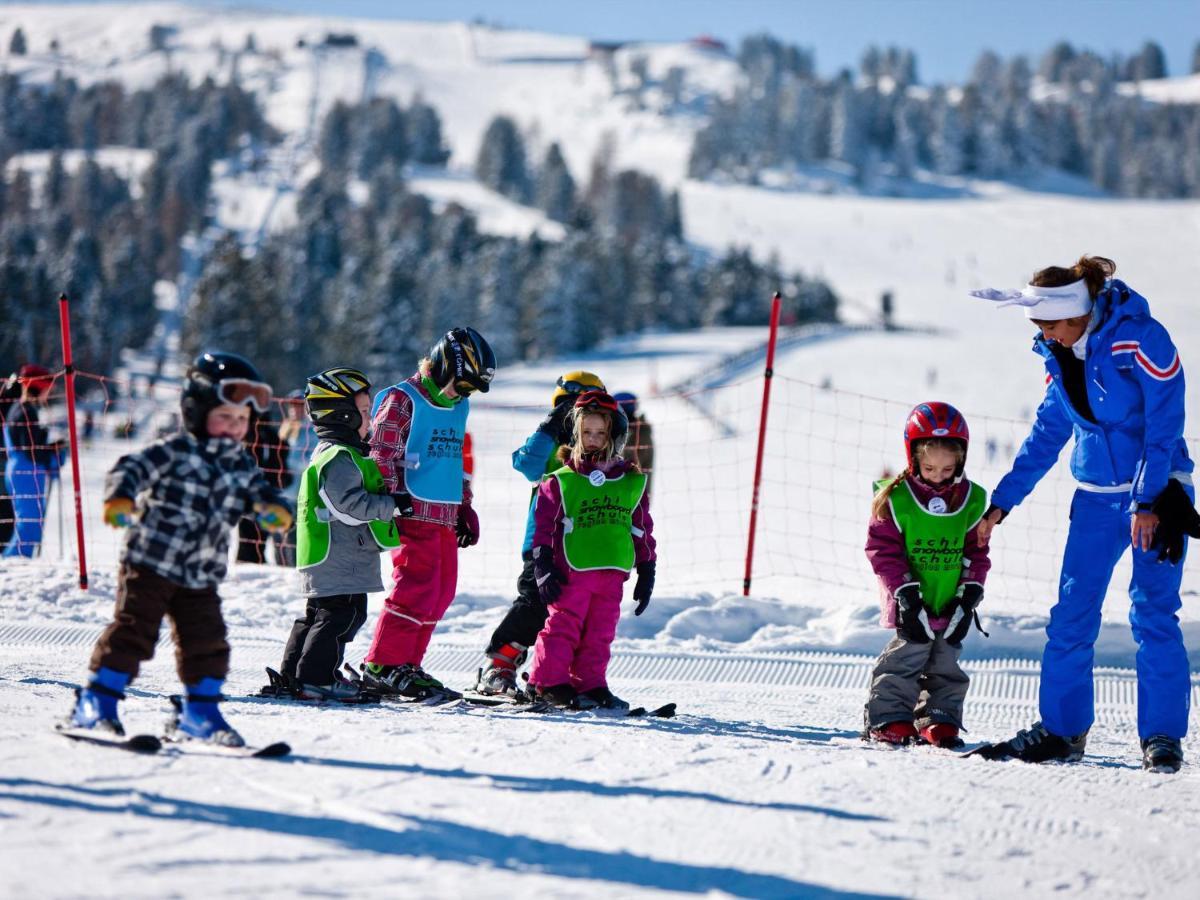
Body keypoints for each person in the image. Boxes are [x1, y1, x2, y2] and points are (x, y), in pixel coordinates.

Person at [970, 255, 1197, 773]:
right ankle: (1062, 730)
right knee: (1071, 617)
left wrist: (1148, 499)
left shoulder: (1141, 339)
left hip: (1157, 497)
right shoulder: (1060, 356)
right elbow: (1048, 433)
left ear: (1076, 312)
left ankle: (1162, 736)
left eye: (1049, 324)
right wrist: (1001, 503)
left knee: (1153, 614)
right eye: (1038, 327)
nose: (1044, 335)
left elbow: (1165, 424)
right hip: (1095, 498)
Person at [66, 351, 292, 747]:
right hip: (151, 563)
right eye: (225, 416)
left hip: (200, 573)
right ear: (196, 411)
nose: (234, 427)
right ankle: (95, 703)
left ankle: (199, 714)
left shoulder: (239, 465)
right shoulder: (174, 451)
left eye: (242, 420)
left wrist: (273, 509)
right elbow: (129, 468)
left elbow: (261, 492)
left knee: (208, 641)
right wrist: (120, 498)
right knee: (134, 632)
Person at [359, 327, 496, 698]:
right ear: (440, 365)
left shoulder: (457, 407)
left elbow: (455, 461)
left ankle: (408, 663)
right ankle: (382, 663)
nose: (461, 395)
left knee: (441, 591)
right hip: (410, 511)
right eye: (459, 385)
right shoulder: (403, 400)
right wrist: (389, 500)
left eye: (467, 391)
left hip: (444, 514)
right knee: (416, 587)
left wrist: (464, 505)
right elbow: (381, 454)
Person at [275, 367, 413, 700]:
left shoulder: (339, 454)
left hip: (333, 555)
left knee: (320, 614)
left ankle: (297, 673)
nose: (371, 420)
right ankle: (317, 677)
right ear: (343, 416)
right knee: (342, 615)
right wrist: (389, 505)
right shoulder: (338, 457)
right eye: (365, 413)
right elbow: (348, 505)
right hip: (338, 555)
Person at [863, 402, 991, 748]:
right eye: (930, 467)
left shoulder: (971, 499)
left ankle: (939, 718)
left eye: (947, 468)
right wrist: (904, 593)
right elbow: (881, 550)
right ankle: (887, 717)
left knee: (946, 660)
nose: (938, 475)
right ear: (914, 458)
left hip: (949, 596)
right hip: (910, 597)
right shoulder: (895, 499)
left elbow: (977, 550)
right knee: (907, 655)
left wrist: (970, 592)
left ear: (961, 460)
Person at [474, 371, 607, 696]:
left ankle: (568, 677)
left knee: (577, 616)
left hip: (582, 549)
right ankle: (499, 666)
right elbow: (528, 464)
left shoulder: (598, 447)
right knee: (535, 603)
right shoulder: (553, 446)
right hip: (544, 543)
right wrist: (551, 425)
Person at [526, 390, 656, 709]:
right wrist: (542, 565)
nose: (594, 439)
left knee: (601, 630)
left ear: (614, 435)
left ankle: (590, 683)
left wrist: (647, 568)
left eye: (601, 433)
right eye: (587, 433)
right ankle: (547, 682)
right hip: (572, 570)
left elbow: (641, 527)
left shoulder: (629, 481)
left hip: (611, 570)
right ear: (576, 434)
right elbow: (543, 526)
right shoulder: (561, 481)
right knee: (564, 626)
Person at [3, 364, 64, 558]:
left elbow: (30, 446)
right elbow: (32, 451)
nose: (49, 394)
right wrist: (54, 451)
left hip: (22, 470)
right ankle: (13, 562)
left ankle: (16, 561)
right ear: (39, 388)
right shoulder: (26, 411)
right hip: (25, 471)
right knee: (29, 525)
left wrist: (49, 446)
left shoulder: (19, 408)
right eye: (48, 389)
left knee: (30, 522)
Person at [236, 409, 294, 564]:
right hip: (255, 493)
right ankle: (251, 561)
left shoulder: (270, 438)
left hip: (267, 493)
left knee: (267, 532)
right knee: (250, 533)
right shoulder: (247, 437)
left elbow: (282, 463)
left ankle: (256, 562)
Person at [614, 391, 654, 498]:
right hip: (629, 494)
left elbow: (627, 462)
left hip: (632, 495)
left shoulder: (639, 433)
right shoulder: (638, 430)